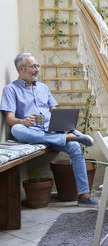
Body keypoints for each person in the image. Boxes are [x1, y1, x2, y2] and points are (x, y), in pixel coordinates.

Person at [0, 53, 98, 207]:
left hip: (51, 130)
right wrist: (23, 121)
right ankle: (70, 137)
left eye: (37, 66)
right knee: (16, 129)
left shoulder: (43, 88)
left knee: (76, 148)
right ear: (21, 69)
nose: (37, 69)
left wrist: (63, 122)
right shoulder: (11, 90)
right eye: (33, 66)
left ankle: (84, 196)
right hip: (32, 132)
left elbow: (53, 110)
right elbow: (9, 119)